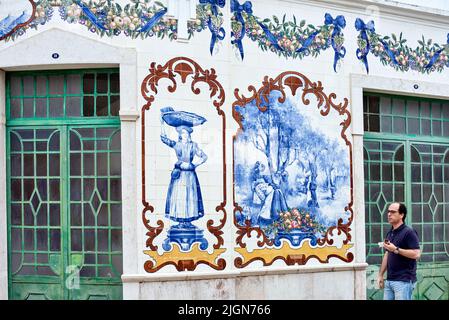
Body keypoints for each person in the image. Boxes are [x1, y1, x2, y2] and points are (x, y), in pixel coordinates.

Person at [161, 125, 208, 227]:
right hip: (180, 174)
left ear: (189, 134)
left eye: (186, 133)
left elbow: (204, 156)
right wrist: (162, 124)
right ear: (180, 135)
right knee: (179, 195)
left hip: (190, 174)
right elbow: (164, 139)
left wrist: (195, 164)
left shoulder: (193, 145)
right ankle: (181, 219)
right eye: (182, 133)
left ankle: (189, 219)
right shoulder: (176, 145)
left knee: (190, 195)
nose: (185, 135)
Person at [377, 202, 421, 300]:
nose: (389, 214)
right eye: (388, 212)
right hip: (390, 280)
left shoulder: (409, 232)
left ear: (402, 215)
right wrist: (380, 275)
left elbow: (417, 254)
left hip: (404, 281)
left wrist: (396, 249)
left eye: (393, 212)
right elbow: (387, 254)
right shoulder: (390, 233)